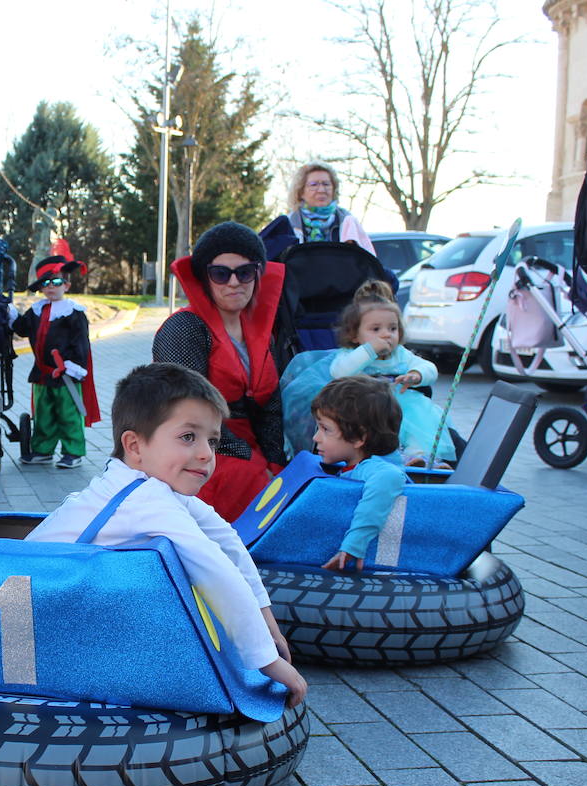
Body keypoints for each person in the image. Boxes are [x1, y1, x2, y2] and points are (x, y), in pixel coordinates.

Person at [26, 362, 306, 707]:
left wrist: (268, 625)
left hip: (52, 598)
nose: (206, 453)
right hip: (33, 615)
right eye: (188, 437)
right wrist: (265, 660)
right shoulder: (145, 498)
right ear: (135, 446)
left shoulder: (150, 487)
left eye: (212, 440)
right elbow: (214, 568)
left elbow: (227, 543)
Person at [152, 222, 287, 521]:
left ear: (258, 274)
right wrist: (253, 464)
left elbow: (271, 407)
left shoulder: (263, 332)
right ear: (205, 278)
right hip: (196, 448)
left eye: (245, 272)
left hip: (249, 447)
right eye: (221, 273)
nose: (234, 282)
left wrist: (276, 461)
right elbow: (188, 410)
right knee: (255, 489)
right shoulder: (184, 327)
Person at [281, 280, 456, 466]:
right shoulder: (353, 355)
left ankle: (423, 458)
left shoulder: (401, 355)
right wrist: (370, 350)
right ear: (355, 335)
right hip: (367, 407)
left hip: (404, 403)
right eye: (376, 329)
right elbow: (340, 372)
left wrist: (416, 374)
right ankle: (396, 457)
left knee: (421, 421)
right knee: (371, 425)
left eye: (392, 328)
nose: (386, 334)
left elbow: (429, 368)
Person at [310, 376, 408, 573]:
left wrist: (354, 544)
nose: (316, 438)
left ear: (358, 438)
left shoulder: (373, 469)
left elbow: (390, 477)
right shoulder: (351, 466)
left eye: (325, 429)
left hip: (383, 560)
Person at [12, 255, 100, 469]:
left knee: (68, 414)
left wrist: (73, 366)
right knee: (43, 414)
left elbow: (81, 342)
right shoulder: (36, 310)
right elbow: (22, 329)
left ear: (67, 285)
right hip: (42, 373)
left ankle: (73, 452)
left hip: (66, 373)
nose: (51, 287)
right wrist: (10, 315)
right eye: (46, 283)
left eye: (57, 281)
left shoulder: (74, 312)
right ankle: (43, 449)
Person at [283, 161, 376, 252]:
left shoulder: (347, 222)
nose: (321, 190)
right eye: (314, 185)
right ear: (301, 192)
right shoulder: (289, 225)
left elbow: (367, 261)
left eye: (326, 184)